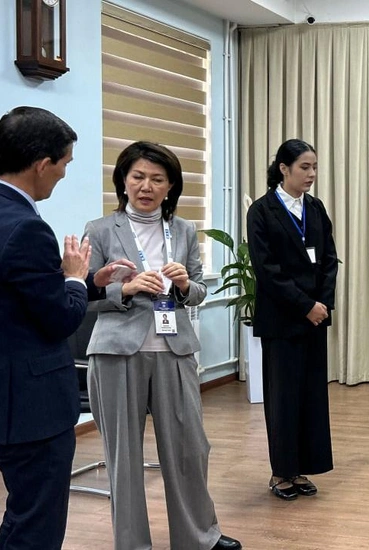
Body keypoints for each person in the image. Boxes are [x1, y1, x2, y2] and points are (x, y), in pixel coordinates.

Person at [83, 141, 241, 550]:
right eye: (137, 177)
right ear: (123, 181)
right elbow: (83, 296)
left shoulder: (184, 230)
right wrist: (126, 288)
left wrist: (187, 285)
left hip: (174, 348)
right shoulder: (100, 229)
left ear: (171, 186)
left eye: (157, 179)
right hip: (118, 350)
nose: (146, 186)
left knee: (190, 448)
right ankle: (132, 543)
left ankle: (199, 538)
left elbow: (200, 288)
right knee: (124, 456)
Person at [0, 106, 135, 550]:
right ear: (42, 165)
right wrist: (75, 277)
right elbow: (58, 318)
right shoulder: (26, 228)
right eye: (64, 165)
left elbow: (19, 298)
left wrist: (85, 283)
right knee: (35, 519)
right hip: (28, 406)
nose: (62, 175)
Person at [247, 139, 338, 500]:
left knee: (311, 397)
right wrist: (304, 305)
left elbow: (330, 260)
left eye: (314, 167)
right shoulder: (263, 211)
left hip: (314, 318)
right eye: (304, 167)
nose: (311, 174)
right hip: (283, 319)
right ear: (283, 169)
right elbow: (267, 270)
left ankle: (302, 469)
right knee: (283, 398)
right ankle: (281, 473)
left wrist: (323, 304)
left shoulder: (315, 208)